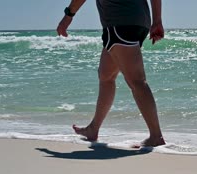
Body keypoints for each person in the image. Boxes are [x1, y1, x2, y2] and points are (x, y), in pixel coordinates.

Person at [57, 0, 165, 147]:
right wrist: (157, 20)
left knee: (136, 81)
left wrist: (68, 15)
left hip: (119, 20)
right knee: (106, 75)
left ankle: (156, 136)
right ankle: (93, 129)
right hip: (138, 20)